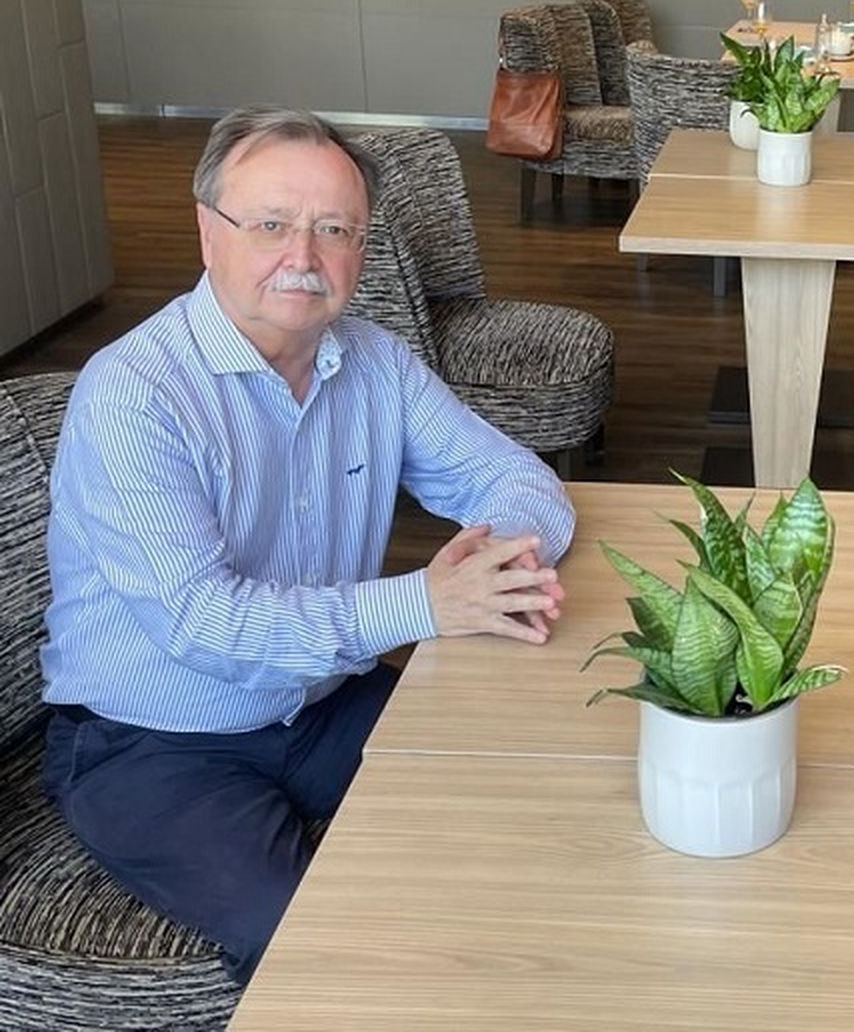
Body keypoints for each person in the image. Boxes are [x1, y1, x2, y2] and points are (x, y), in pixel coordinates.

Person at [39, 106, 577, 982]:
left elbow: (524, 485)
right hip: (152, 740)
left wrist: (500, 561)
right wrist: (428, 602)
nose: (304, 255)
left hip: (322, 705)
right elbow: (205, 626)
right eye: (272, 224)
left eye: (335, 229)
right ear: (208, 234)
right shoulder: (134, 394)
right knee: (324, 950)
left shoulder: (374, 359)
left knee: (519, 812)